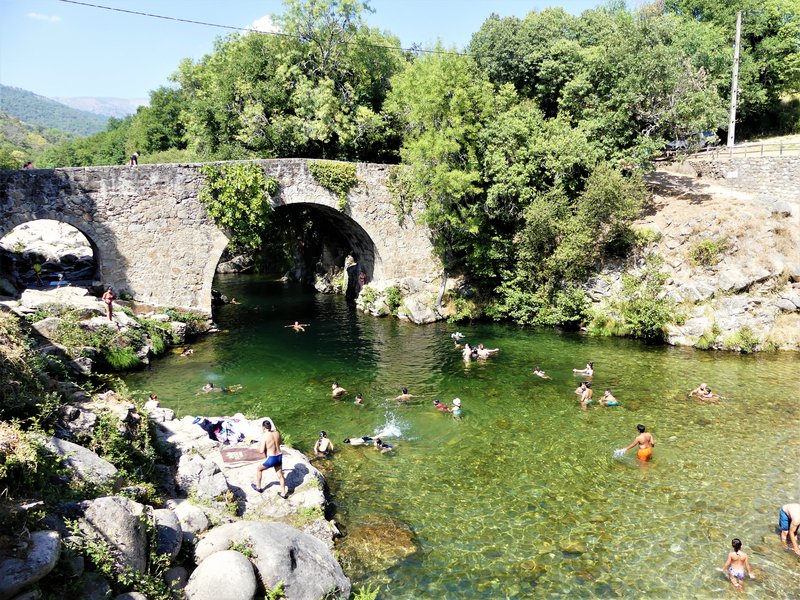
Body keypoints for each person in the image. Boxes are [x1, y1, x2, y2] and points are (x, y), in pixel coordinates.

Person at [252, 419, 287, 498]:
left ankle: (258, 487)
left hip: (272, 458)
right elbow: (279, 443)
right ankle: (283, 493)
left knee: (259, 469)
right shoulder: (277, 433)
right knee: (280, 475)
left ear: (264, 428)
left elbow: (261, 451)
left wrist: (258, 446)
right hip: (279, 456)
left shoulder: (265, 436)